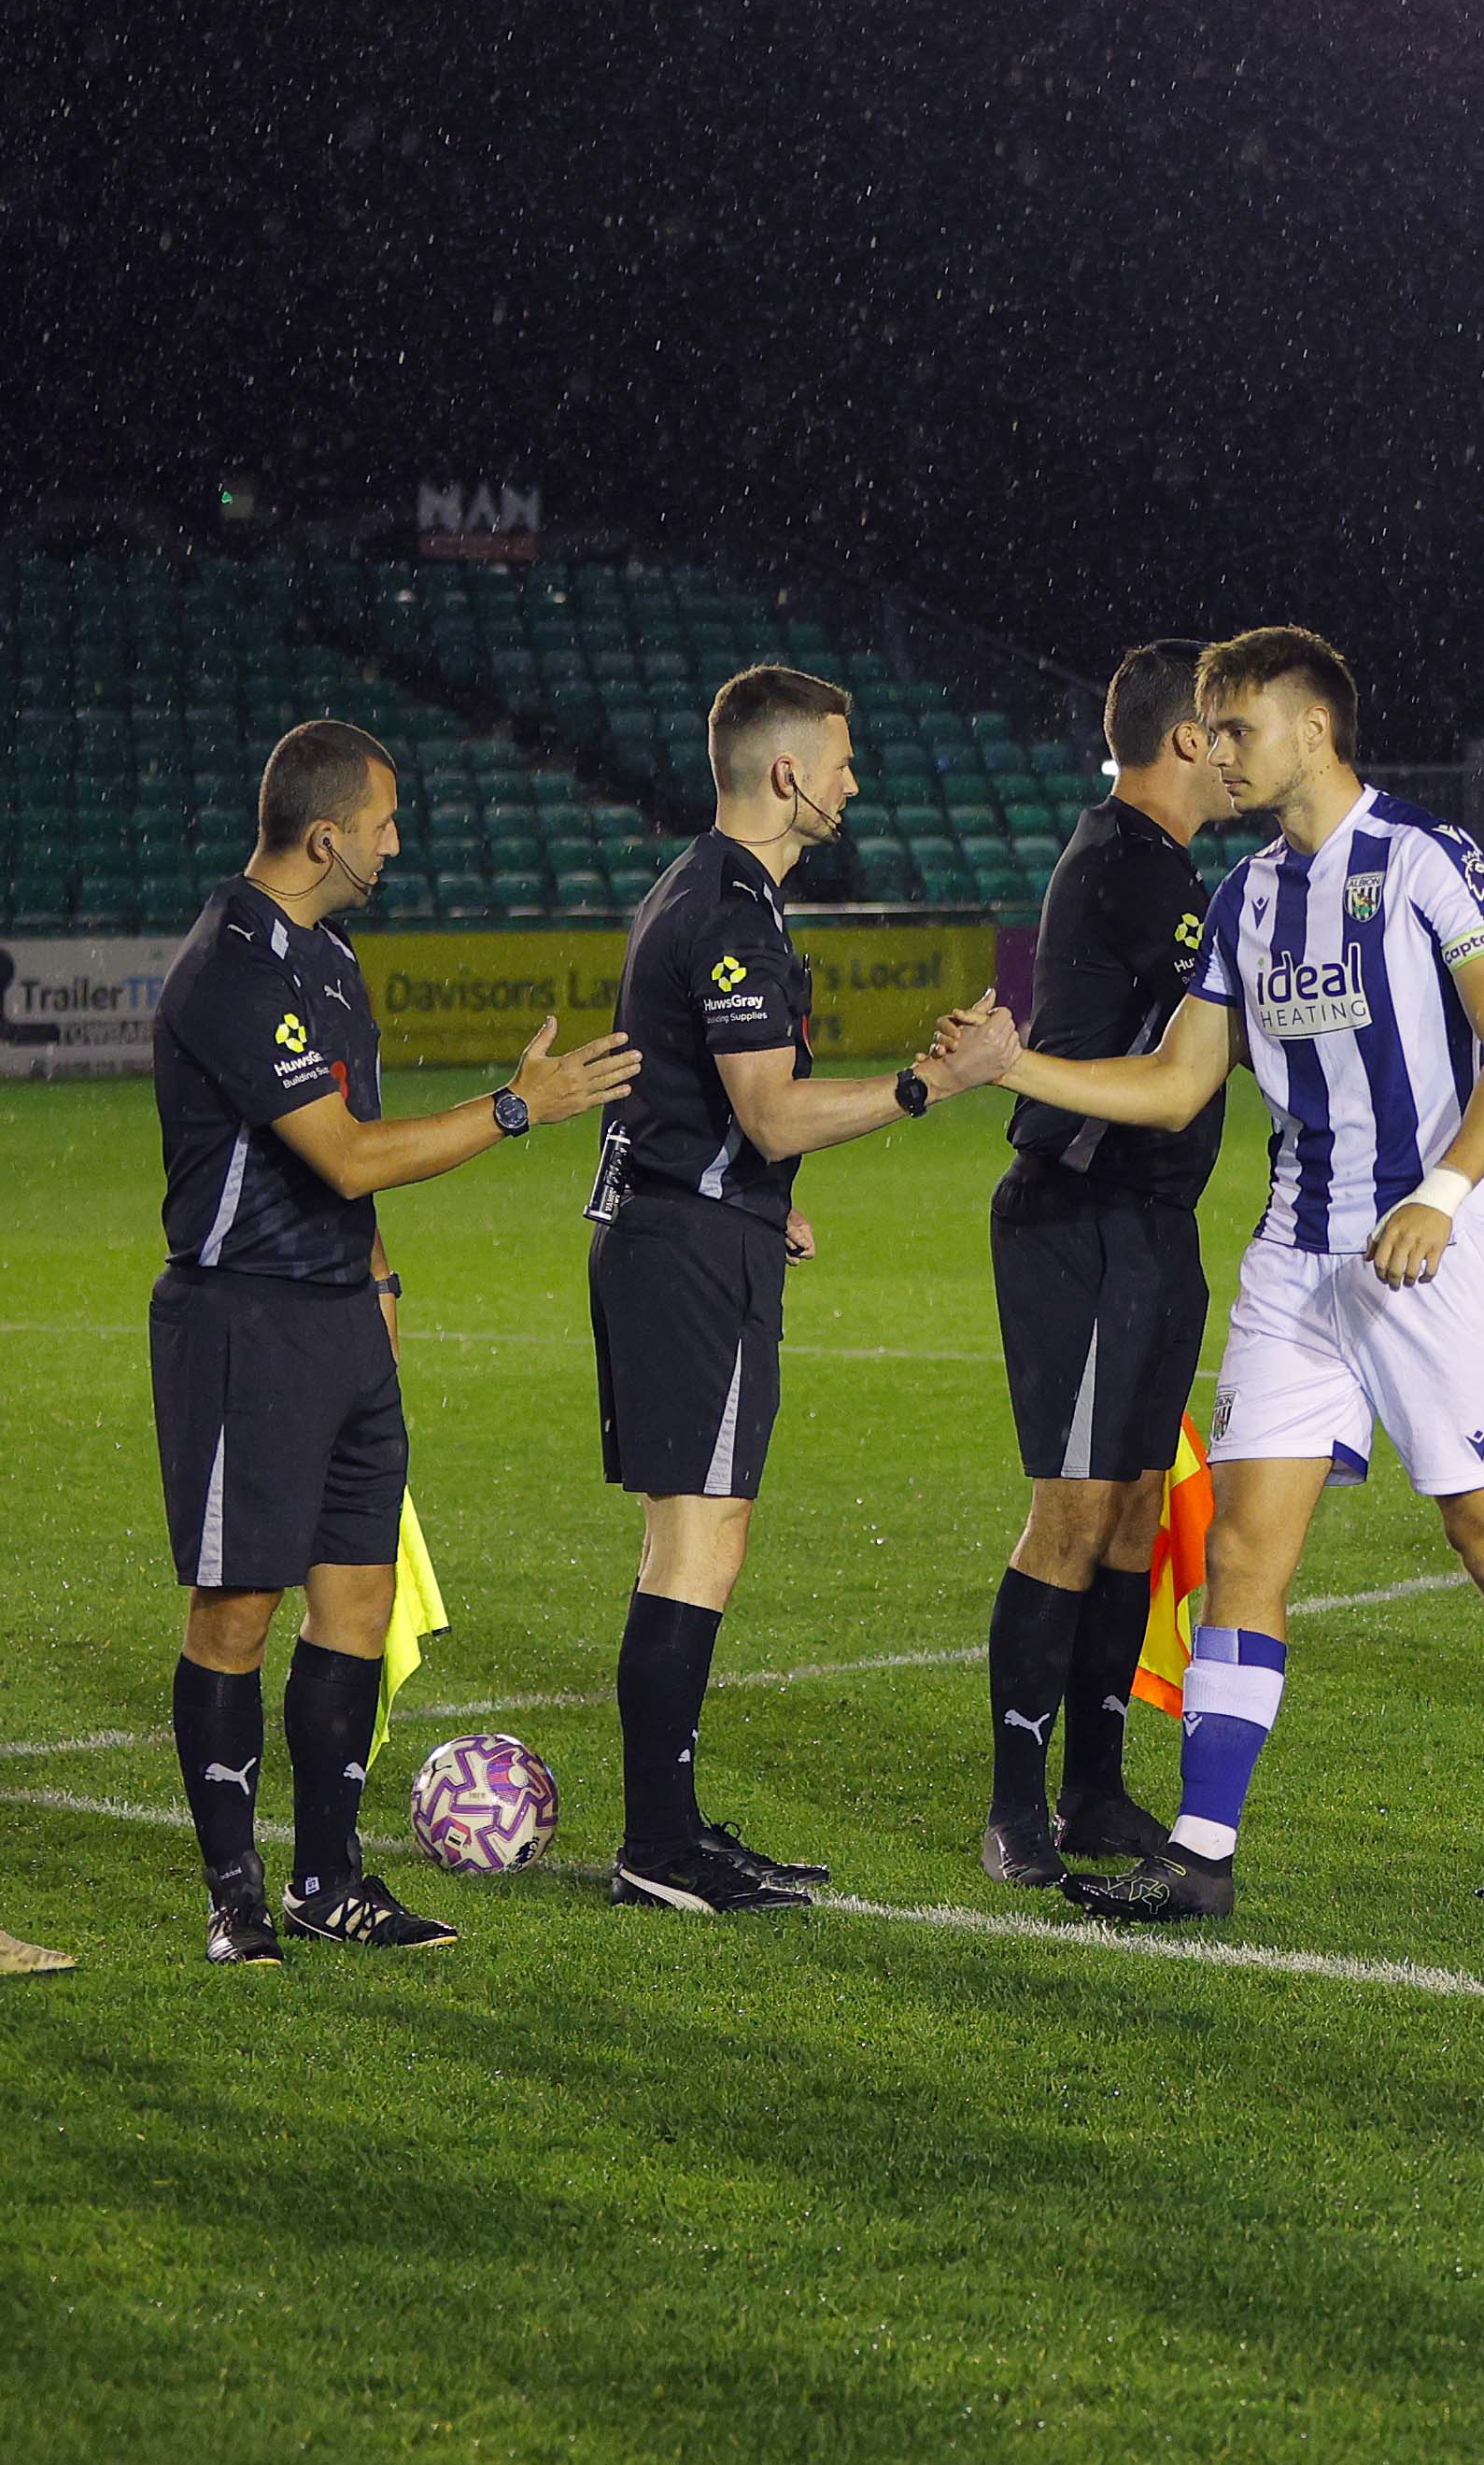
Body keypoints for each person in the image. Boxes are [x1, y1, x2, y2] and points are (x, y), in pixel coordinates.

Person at [988, 626, 1484, 1915]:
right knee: (1242, 1563)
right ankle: (1199, 1855)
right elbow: (1175, 1082)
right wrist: (1014, 1068)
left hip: (1436, 1262)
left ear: (1313, 728)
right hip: (1295, 1266)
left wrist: (1442, 1194)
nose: (1218, 750)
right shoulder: (1246, 896)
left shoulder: (1427, 860)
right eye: (1208, 730)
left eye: (1238, 727)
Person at [151, 718, 637, 1960]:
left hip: (340, 1324)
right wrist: (521, 1106)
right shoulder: (234, 967)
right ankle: (234, 1897)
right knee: (236, 1616)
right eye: (383, 823)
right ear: (326, 835)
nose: (395, 843)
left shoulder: (329, 951)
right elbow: (351, 1150)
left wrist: (380, 1282)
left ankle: (328, 1881)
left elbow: (351, 1169)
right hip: (243, 1323)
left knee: (357, 1608)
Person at [588, 666, 1018, 1915]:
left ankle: (667, 1834)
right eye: (839, 761)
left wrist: (758, 1202)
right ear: (785, 775)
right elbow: (770, 1114)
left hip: (696, 1234)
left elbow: (705, 1107)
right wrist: (944, 1082)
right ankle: (658, 1852)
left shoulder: (717, 893)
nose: (852, 781)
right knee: (693, 1547)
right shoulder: (729, 908)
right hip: (684, 1257)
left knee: (700, 1543)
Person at [971, 638, 1230, 1884]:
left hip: (1150, 1226)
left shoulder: (1161, 865)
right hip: (1076, 1217)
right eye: (1225, 729)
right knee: (1071, 1515)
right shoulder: (1134, 868)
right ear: (1186, 740)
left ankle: (1094, 1790)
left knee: (1133, 1512)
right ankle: (1016, 1804)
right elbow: (1213, 1046)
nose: (1237, 751)